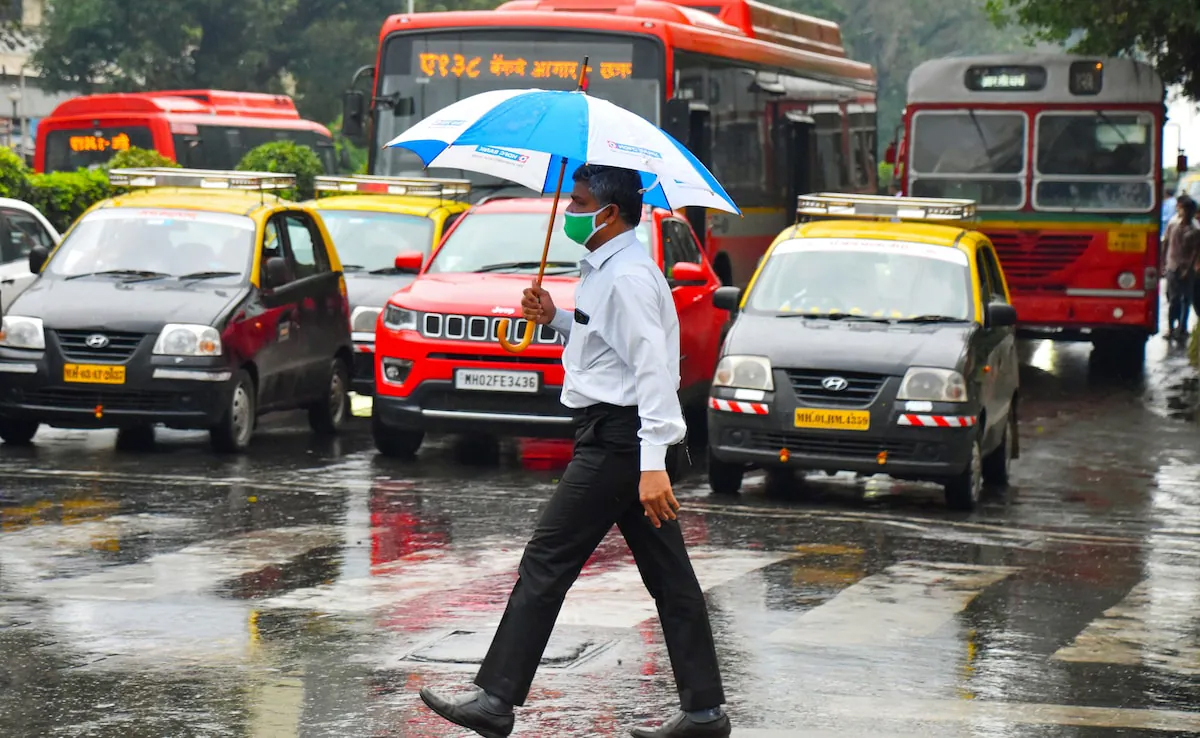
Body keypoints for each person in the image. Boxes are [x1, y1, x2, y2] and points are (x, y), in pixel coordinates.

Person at [417, 164, 730, 738]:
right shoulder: (608, 269)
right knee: (670, 577)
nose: (569, 213)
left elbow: (654, 370)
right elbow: (603, 344)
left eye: (579, 202)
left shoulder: (628, 277)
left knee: (545, 561)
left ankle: (494, 700)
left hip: (620, 441)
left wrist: (652, 463)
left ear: (609, 214)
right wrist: (555, 318)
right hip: (617, 437)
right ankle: (705, 711)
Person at [1164, 195, 1197, 340]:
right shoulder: (1172, 224)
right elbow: (1166, 243)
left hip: (1187, 269)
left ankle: (1182, 328)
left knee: (1186, 299)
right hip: (1172, 265)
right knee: (1173, 299)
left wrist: (1188, 269)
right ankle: (1171, 328)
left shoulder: (1195, 229)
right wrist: (1162, 263)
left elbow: (1196, 252)